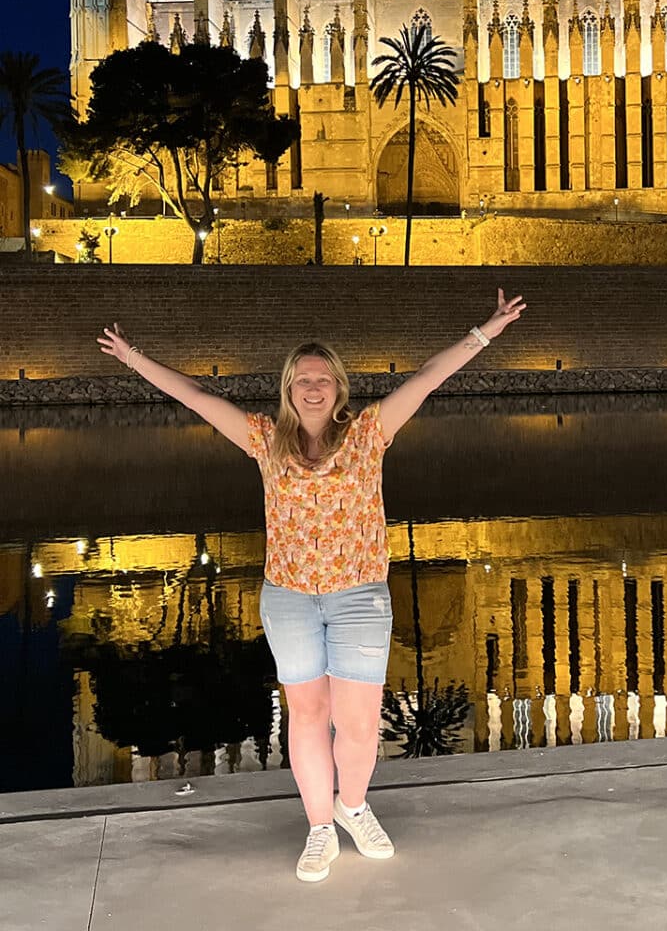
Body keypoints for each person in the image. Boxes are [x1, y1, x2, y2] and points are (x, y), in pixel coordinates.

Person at [96, 288, 525, 883]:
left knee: (358, 720)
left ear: (339, 388)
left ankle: (355, 807)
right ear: (288, 390)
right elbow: (197, 397)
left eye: (323, 379)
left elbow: (427, 378)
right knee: (306, 715)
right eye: (302, 380)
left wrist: (486, 332)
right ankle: (320, 827)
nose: (313, 388)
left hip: (359, 597)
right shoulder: (263, 439)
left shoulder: (369, 433)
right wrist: (133, 357)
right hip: (291, 599)